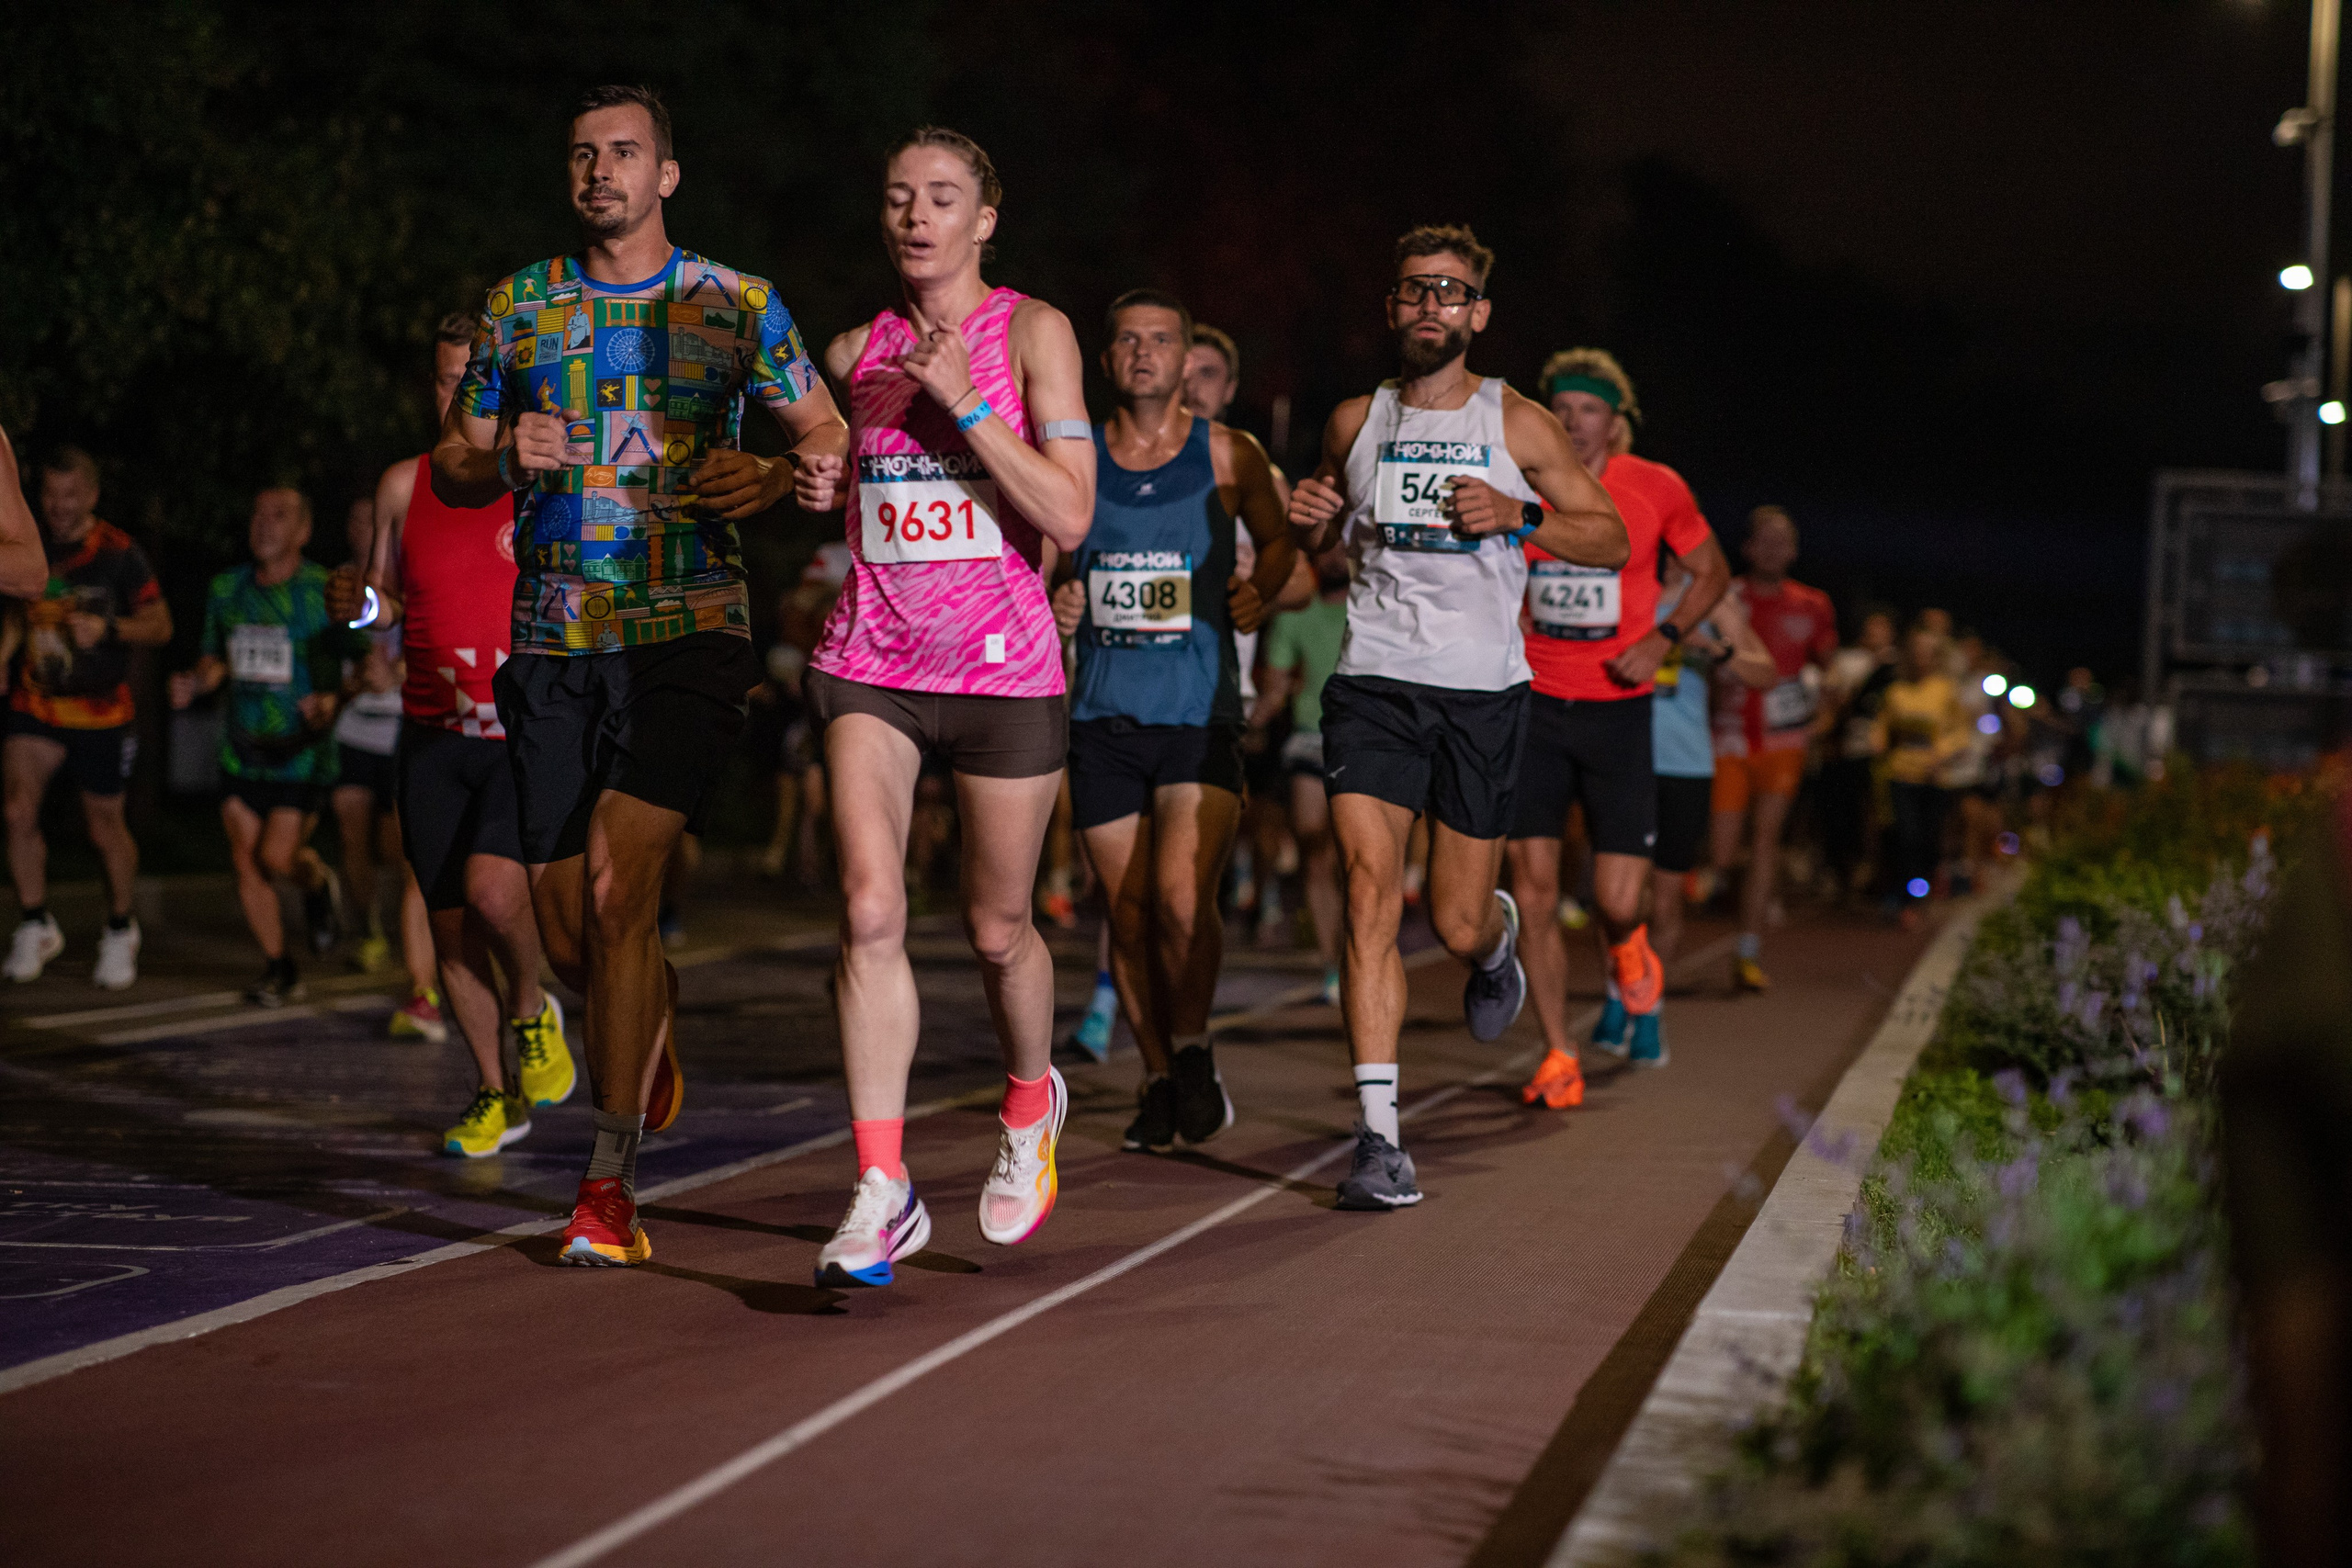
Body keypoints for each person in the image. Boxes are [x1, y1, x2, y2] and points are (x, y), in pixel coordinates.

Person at [432, 85, 848, 1263]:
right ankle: (642, 1041)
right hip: (557, 638)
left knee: (622, 890)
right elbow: (455, 467)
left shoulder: (736, 302)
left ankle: (607, 1188)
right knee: (569, 931)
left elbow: (824, 437)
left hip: (689, 628)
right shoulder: (521, 307)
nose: (598, 170)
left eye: (622, 153)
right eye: (581, 155)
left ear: (667, 174)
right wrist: (497, 452)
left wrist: (772, 479)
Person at [792, 128, 1093, 1287]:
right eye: (899, 198)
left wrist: (969, 406)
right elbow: (844, 485)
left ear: (987, 218)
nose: (917, 216)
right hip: (872, 662)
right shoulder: (850, 349)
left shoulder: (1031, 333)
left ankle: (1030, 1102)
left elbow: (1068, 516)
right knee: (869, 911)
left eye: (943, 198)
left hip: (1005, 672)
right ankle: (882, 1187)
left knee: (996, 931)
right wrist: (816, 475)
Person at [1286, 224, 1625, 1210]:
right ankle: (1379, 1141)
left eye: (1450, 291)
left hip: (1480, 693)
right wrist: (1308, 524)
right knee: (1365, 893)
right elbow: (1323, 553)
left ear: (1478, 314)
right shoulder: (1355, 421)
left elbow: (1606, 537)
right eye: (1413, 290)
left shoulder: (1515, 424)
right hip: (1373, 685)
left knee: (1454, 916)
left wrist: (1518, 516)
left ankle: (1493, 940)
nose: (1430, 305)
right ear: (1393, 310)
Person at [1048, 289, 1297, 1152]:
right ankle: (1157, 1074)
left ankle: (1192, 1050)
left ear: (1188, 358)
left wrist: (1260, 589)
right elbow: (1043, 559)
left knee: (1183, 902)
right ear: (1107, 358)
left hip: (1198, 712)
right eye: (1127, 340)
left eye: (1160, 340)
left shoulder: (1229, 453)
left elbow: (1277, 542)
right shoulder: (1074, 457)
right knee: (1127, 914)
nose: (1144, 353)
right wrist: (1060, 597)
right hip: (1103, 713)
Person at [328, 310, 575, 1159]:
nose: (456, 392)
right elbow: (384, 601)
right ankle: (493, 1092)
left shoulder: (538, 480)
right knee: (448, 929)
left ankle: (533, 1009)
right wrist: (357, 606)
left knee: (496, 892)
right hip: (430, 735)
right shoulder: (404, 485)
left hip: (515, 731)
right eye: (443, 377)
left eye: (472, 376)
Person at [1506, 349, 1726, 1105]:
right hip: (1534, 701)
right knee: (1533, 892)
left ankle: (1634, 962)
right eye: (1560, 405)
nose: (1571, 419)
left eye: (1588, 407)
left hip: (1618, 708)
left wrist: (1662, 639)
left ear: (1614, 418)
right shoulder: (1520, 477)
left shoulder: (1654, 486)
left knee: (1617, 900)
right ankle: (1557, 1051)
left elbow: (1713, 573)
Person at [170, 488, 361, 1005]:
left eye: (279, 516)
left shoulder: (325, 591)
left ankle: (317, 881)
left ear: (303, 531)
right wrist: (198, 682)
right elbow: (214, 657)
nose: (263, 524)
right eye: (257, 513)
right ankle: (279, 968)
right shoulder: (226, 588)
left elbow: (364, 664)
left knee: (277, 857)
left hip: (302, 751)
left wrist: (334, 696)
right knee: (244, 861)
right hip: (241, 745)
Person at [4, 446, 171, 988]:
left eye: (71, 495)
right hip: (39, 702)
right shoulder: (28, 545)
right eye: (50, 494)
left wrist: (111, 629)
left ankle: (121, 926)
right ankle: (35, 922)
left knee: (104, 827)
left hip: (101, 710)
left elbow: (161, 624)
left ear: (92, 496)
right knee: (15, 809)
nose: (58, 506)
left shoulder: (119, 553)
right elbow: (14, 616)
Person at [1707, 506, 1837, 992]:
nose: (1774, 549)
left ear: (1796, 550)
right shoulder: (1727, 597)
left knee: (1766, 841)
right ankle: (1733, 890)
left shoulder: (1813, 604)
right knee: (1724, 853)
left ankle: (1748, 949)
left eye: (1784, 540)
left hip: (1785, 740)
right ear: (1746, 547)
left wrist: (1824, 711)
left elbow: (1828, 667)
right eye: (1765, 539)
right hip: (1730, 738)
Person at [1642, 556, 1775, 994]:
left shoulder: (1708, 599)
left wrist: (1712, 648)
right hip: (1622, 758)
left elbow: (1765, 672)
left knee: (1664, 903)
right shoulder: (1626, 584)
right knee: (1619, 899)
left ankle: (1643, 1004)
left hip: (1684, 762)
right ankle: (1622, 986)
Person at [1252, 548, 1351, 1006]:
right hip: (1310, 740)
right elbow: (1273, 690)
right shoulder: (1295, 615)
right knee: (1314, 850)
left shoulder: (1372, 608)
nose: (1335, 556)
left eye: (1342, 546)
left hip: (1362, 742)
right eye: (1326, 547)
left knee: (1360, 859)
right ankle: (1334, 965)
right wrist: (1245, 721)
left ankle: (1361, 955)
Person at [327, 497, 408, 975]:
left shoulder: (408, 577)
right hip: (354, 724)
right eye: (354, 519)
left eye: (371, 518)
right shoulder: (337, 583)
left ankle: (411, 923)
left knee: (395, 843)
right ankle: (370, 930)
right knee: (350, 829)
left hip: (402, 722)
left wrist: (396, 673)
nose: (363, 527)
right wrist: (353, 682)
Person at [1872, 620, 1970, 928]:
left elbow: (1961, 733)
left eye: (1928, 652)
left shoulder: (1946, 690)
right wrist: (1877, 743)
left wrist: (1942, 754)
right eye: (1916, 651)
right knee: (1904, 835)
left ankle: (1921, 890)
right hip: (1901, 772)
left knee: (1929, 840)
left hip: (1934, 777)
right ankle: (1905, 898)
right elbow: (1882, 728)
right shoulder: (1896, 691)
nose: (1921, 657)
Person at [1818, 607, 1897, 904]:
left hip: (1884, 752)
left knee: (1878, 814)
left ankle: (1878, 873)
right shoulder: (1848, 660)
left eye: (1884, 628)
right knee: (1845, 811)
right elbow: (1833, 698)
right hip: (1849, 747)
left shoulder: (1898, 665)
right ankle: (1844, 871)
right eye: (1873, 627)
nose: (1878, 634)